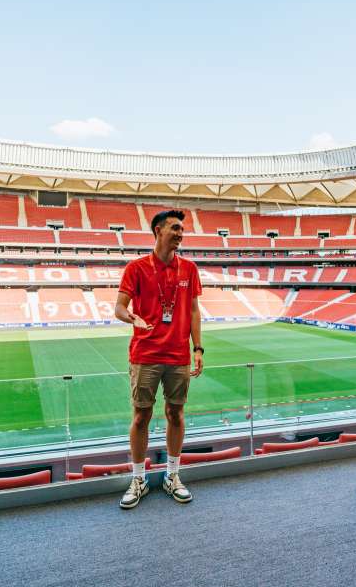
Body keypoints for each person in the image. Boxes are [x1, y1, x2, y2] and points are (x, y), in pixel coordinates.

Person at [114, 209, 204, 509]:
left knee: (176, 414)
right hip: (145, 354)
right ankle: (138, 478)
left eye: (182, 229)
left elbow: (193, 311)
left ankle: (172, 475)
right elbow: (119, 307)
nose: (180, 233)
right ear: (158, 231)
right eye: (175, 228)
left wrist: (198, 348)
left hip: (178, 355)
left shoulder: (189, 269)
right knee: (141, 417)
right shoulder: (137, 268)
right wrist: (131, 318)